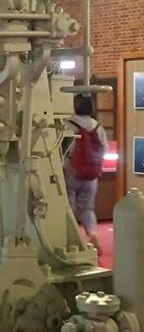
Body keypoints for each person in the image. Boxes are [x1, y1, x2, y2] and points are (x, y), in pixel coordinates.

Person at [64, 94, 107, 256]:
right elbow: (103, 149)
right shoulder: (97, 126)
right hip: (91, 174)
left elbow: (61, 148)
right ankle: (92, 234)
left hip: (71, 171)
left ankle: (71, 239)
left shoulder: (68, 124)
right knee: (88, 207)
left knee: (68, 206)